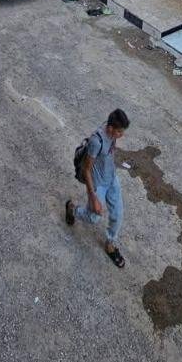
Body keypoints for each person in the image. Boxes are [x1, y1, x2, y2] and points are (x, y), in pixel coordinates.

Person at [66, 108, 129, 268]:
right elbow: (86, 170)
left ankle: (110, 244)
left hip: (111, 178)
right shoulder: (96, 141)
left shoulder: (111, 131)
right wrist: (93, 198)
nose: (122, 135)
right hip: (98, 183)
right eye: (119, 131)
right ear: (110, 128)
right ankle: (72, 209)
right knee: (93, 218)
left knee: (118, 214)